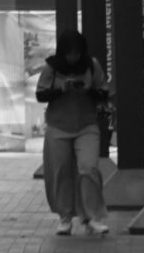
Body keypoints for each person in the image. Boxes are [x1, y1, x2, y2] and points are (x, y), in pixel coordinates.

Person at [36, 29, 110, 236]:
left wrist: (88, 90)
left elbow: (104, 93)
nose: (73, 57)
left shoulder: (91, 65)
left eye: (77, 52)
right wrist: (61, 89)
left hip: (86, 125)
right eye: (69, 53)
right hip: (58, 127)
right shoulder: (51, 67)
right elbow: (40, 94)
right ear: (62, 52)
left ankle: (93, 216)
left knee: (89, 168)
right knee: (61, 172)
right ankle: (65, 217)